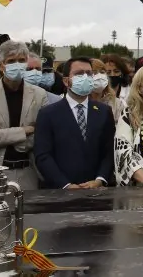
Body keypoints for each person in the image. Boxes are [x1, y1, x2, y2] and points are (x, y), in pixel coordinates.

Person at [0, 41, 50, 191]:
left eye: (21, 60)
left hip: (28, 173)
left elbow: (43, 136)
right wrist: (26, 130)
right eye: (11, 61)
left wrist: (0, 132)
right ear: (1, 65)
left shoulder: (40, 95)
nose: (17, 65)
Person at [33, 57, 116, 189]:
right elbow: (43, 155)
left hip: (96, 191)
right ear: (66, 81)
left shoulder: (104, 111)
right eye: (79, 74)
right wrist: (65, 185)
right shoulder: (48, 114)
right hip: (60, 192)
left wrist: (100, 180)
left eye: (89, 73)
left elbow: (109, 151)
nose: (85, 77)